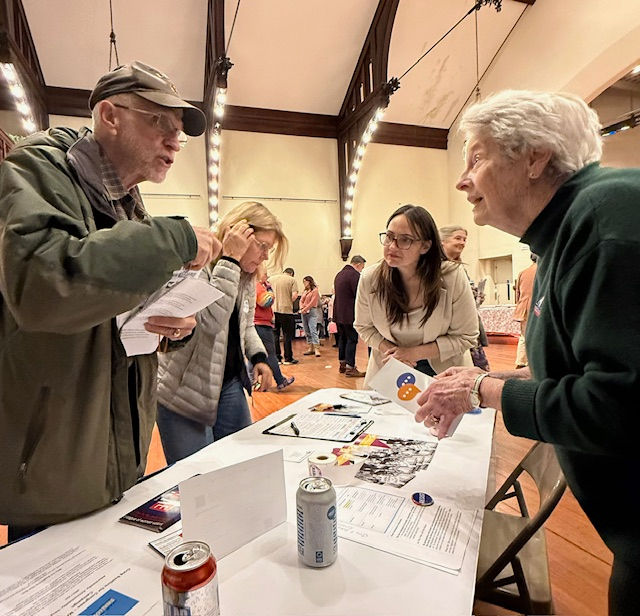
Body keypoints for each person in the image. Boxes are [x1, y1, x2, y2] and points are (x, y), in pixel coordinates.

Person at [414, 90, 640, 615]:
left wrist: (480, 387)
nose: (461, 179)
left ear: (535, 158)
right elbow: (565, 370)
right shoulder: (560, 236)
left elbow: (620, 405)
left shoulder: (604, 218)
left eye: (476, 157)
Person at [0, 61, 219, 539]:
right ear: (109, 115)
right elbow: (43, 286)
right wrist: (174, 240)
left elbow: (109, 312)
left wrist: (172, 328)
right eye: (160, 121)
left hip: (115, 461)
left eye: (180, 131)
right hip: (51, 473)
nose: (175, 140)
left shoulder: (126, 200)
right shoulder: (35, 168)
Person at [156, 201, 287, 464]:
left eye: (268, 250)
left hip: (228, 385)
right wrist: (230, 259)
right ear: (237, 233)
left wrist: (259, 358)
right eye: (262, 246)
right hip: (185, 391)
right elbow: (210, 323)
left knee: (238, 467)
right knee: (198, 479)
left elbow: (246, 325)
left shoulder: (245, 277)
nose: (264, 256)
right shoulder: (196, 265)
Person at [354, 205, 478, 387]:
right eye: (389, 237)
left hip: (443, 370)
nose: (392, 246)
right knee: (385, 415)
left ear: (426, 246)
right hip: (390, 367)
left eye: (405, 240)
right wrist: (394, 353)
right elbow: (364, 327)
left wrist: (411, 354)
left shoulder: (452, 276)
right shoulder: (370, 278)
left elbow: (466, 336)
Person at [439, 225, 490, 371]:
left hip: (466, 330)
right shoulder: (436, 269)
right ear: (442, 241)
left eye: (464, 239)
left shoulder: (459, 267)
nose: (462, 243)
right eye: (457, 238)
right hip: (449, 332)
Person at [254, 263, 295, 390]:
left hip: (257, 324)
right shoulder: (258, 287)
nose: (267, 277)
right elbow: (265, 302)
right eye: (265, 274)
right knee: (270, 354)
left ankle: (256, 382)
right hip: (261, 324)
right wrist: (271, 292)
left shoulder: (254, 285)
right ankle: (280, 380)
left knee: (258, 355)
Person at [334, 255, 367, 376]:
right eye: (362, 267)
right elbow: (359, 295)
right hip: (349, 314)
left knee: (342, 338)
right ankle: (350, 367)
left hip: (339, 314)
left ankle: (342, 364)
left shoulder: (339, 274)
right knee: (352, 339)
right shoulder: (354, 275)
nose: (362, 270)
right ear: (358, 264)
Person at [513, 253, 538, 368]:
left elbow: (517, 293)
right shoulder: (541, 270)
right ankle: (534, 362)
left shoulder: (522, 273)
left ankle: (521, 362)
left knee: (523, 336)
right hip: (537, 307)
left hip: (523, 308)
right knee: (538, 335)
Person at [270, 267, 299, 365]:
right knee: (287, 335)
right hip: (286, 310)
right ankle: (288, 358)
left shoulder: (271, 279)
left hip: (273, 310)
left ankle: (277, 358)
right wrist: (287, 301)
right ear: (291, 274)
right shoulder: (292, 280)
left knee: (275, 335)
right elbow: (294, 295)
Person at [300, 275, 322, 357]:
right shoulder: (305, 291)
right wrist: (302, 308)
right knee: (306, 330)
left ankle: (316, 348)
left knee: (313, 329)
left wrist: (306, 308)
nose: (304, 283)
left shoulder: (315, 290)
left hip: (312, 311)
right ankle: (310, 347)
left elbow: (313, 302)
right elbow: (301, 300)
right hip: (304, 311)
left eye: (305, 281)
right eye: (303, 282)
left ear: (309, 282)